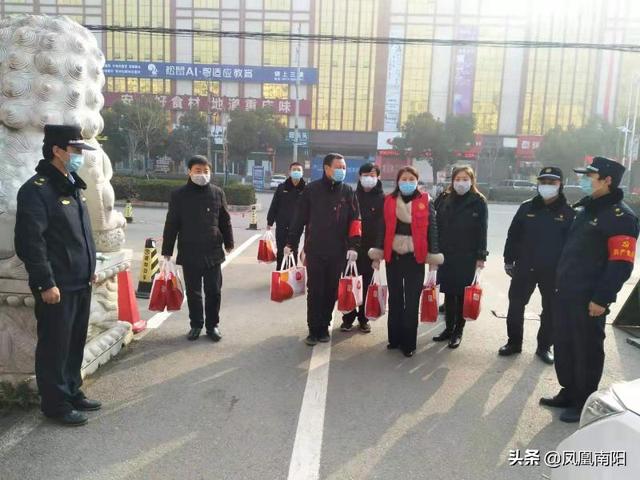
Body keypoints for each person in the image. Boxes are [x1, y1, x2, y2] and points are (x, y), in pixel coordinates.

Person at [541, 157, 639, 423]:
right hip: (566, 292)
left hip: (590, 298)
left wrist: (602, 299)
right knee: (564, 343)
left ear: (607, 180)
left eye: (590, 177)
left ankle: (583, 399)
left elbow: (621, 265)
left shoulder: (622, 218)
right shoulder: (587, 209)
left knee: (586, 348)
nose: (584, 180)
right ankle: (568, 390)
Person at [14, 124, 100, 426]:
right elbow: (30, 243)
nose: (80, 156)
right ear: (57, 151)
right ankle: (55, 403)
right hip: (57, 285)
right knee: (55, 345)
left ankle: (72, 391)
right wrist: (45, 282)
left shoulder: (72, 185)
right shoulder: (36, 190)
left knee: (74, 342)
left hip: (80, 280)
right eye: (75, 150)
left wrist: (91, 268)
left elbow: (82, 234)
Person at [499, 167, 575, 364]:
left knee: (550, 309)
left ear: (561, 185)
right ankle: (514, 342)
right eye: (544, 182)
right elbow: (513, 235)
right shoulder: (527, 207)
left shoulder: (569, 213)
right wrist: (508, 260)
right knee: (516, 305)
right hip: (524, 266)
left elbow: (572, 245)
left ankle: (544, 347)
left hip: (553, 271)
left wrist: (566, 271)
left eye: (552, 183)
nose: (547, 186)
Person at [287, 153, 361, 345]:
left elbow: (355, 221)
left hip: (338, 251)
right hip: (315, 250)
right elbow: (298, 219)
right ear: (327, 168)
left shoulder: (347, 192)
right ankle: (313, 329)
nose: (342, 171)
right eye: (338, 167)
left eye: (344, 167)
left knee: (331, 290)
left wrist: (354, 246)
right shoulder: (312, 190)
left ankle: (324, 326)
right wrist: (291, 244)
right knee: (315, 291)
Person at [369, 166, 443, 357]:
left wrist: (433, 257)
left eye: (411, 179)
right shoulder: (389, 200)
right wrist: (377, 256)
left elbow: (432, 229)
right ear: (398, 181)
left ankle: (409, 343)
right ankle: (394, 339)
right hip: (394, 257)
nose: (408, 182)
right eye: (404, 179)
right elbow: (382, 228)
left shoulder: (426, 201)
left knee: (411, 302)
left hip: (415, 258)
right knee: (395, 300)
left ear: (417, 181)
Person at [162, 155, 234, 342]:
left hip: (213, 251)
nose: (202, 174)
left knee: (214, 291)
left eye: (205, 171)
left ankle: (213, 326)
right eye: (198, 171)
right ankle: (196, 324)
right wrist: (167, 251)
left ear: (210, 172)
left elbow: (225, 220)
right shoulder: (178, 195)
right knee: (193, 292)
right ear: (189, 172)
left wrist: (229, 243)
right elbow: (171, 224)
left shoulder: (217, 193)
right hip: (189, 251)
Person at [433, 166, 488, 349]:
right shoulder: (443, 198)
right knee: (449, 293)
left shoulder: (478, 201)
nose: (461, 182)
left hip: (467, 255)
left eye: (465, 179)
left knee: (462, 294)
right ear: (452, 180)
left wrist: (481, 256)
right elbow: (434, 225)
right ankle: (448, 329)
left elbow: (482, 230)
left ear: (472, 181)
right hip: (445, 253)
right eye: (458, 179)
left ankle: (458, 331)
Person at [340, 163, 385, 334]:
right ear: (359, 176)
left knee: (367, 285)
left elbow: (383, 227)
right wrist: (348, 245)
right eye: (365, 174)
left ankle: (363, 319)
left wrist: (378, 252)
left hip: (371, 249)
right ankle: (348, 318)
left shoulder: (383, 198)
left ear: (378, 177)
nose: (369, 178)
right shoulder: (351, 195)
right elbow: (345, 222)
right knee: (349, 283)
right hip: (351, 248)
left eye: (372, 175)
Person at [267, 162, 306, 268]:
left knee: (293, 249)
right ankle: (280, 273)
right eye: (294, 169)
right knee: (281, 250)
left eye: (299, 170)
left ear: (302, 172)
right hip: (281, 225)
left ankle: (292, 275)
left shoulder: (306, 189)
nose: (296, 172)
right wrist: (269, 222)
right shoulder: (281, 187)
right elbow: (274, 205)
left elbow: (309, 209)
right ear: (289, 172)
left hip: (297, 226)